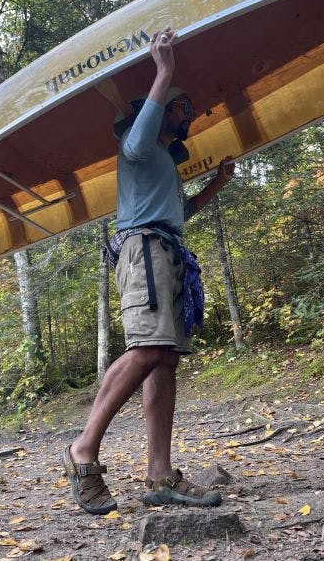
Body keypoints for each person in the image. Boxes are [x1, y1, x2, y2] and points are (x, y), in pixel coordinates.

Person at [62, 26, 235, 515]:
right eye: (183, 108)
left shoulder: (162, 162)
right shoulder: (137, 150)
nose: (190, 114)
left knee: (165, 359)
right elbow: (142, 132)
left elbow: (181, 212)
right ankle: (83, 449)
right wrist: (164, 71)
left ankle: (159, 476)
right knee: (149, 348)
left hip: (168, 253)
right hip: (143, 252)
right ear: (153, 115)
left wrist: (216, 184)